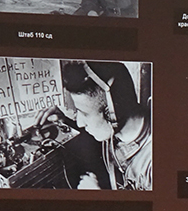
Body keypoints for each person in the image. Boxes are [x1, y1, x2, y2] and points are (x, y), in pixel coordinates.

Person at [57, 60, 152, 190]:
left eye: (85, 114)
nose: (79, 123)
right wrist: (63, 122)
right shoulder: (117, 129)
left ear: (112, 113)